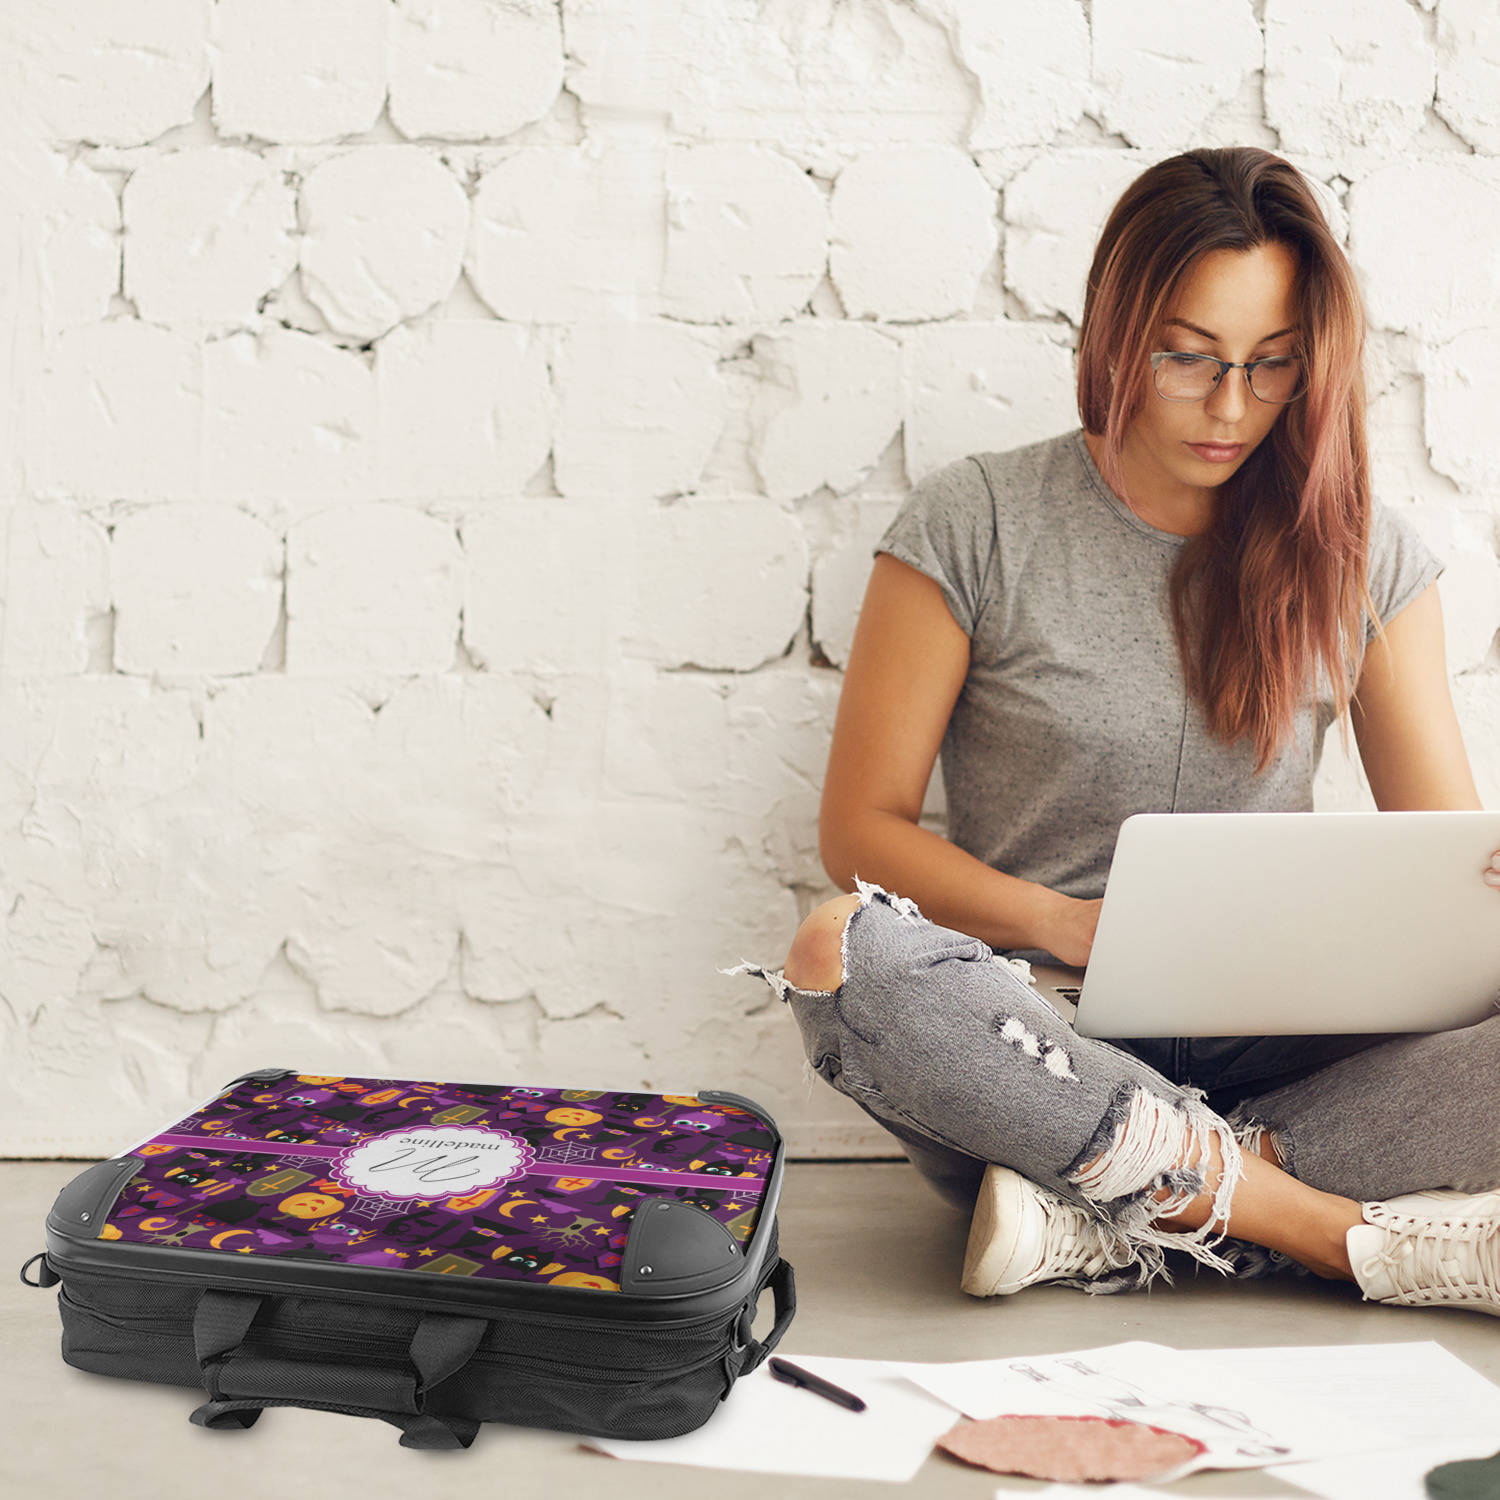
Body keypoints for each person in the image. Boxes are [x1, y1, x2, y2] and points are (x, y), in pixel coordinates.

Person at [738, 147, 1500, 1313]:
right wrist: (1064, 924)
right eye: (1189, 357)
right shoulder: (977, 520)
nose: (1232, 406)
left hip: (1292, 1050)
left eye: (1273, 364)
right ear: (1114, 331)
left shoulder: (1363, 556)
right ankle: (1325, 1230)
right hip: (1040, 1045)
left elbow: (1442, 860)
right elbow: (861, 830)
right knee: (843, 950)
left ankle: (1116, 1211)